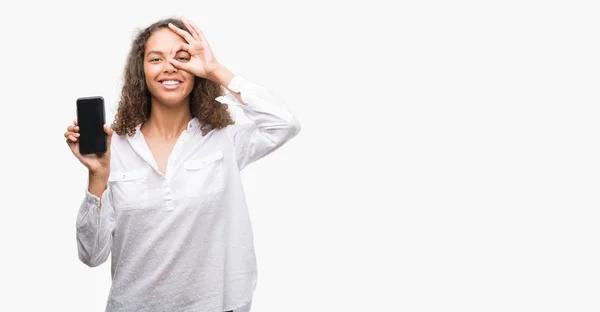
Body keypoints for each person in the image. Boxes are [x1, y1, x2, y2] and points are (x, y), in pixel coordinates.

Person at [64, 16, 300, 312]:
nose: (170, 67)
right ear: (142, 71)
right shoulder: (116, 148)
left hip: (215, 305)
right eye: (156, 59)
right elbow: (92, 255)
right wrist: (97, 176)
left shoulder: (223, 141)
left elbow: (284, 124)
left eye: (182, 57)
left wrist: (216, 70)